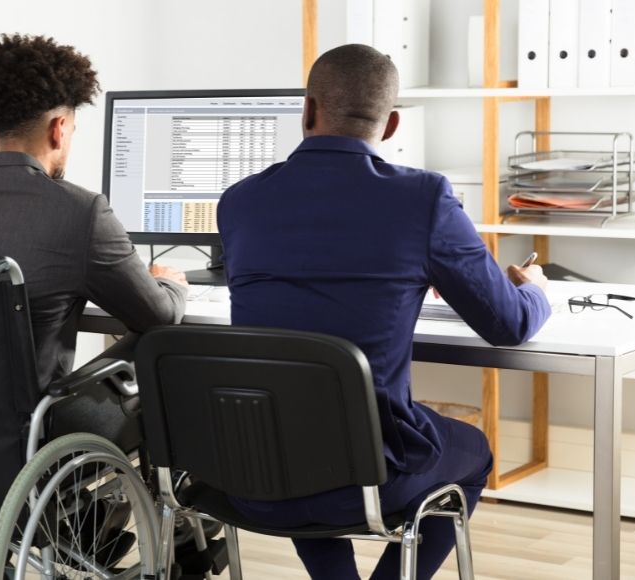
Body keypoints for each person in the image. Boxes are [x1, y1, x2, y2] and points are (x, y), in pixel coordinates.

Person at [218, 44, 552, 579]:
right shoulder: (423, 198)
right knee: (476, 452)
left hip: (252, 473)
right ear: (392, 124)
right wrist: (533, 287)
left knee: (305, 430)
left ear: (306, 110)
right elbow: (508, 324)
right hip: (370, 477)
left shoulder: (239, 201)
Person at [0, 34, 188, 393]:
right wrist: (170, 284)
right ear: (59, 129)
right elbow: (157, 315)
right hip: (37, 427)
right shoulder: (82, 212)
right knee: (156, 342)